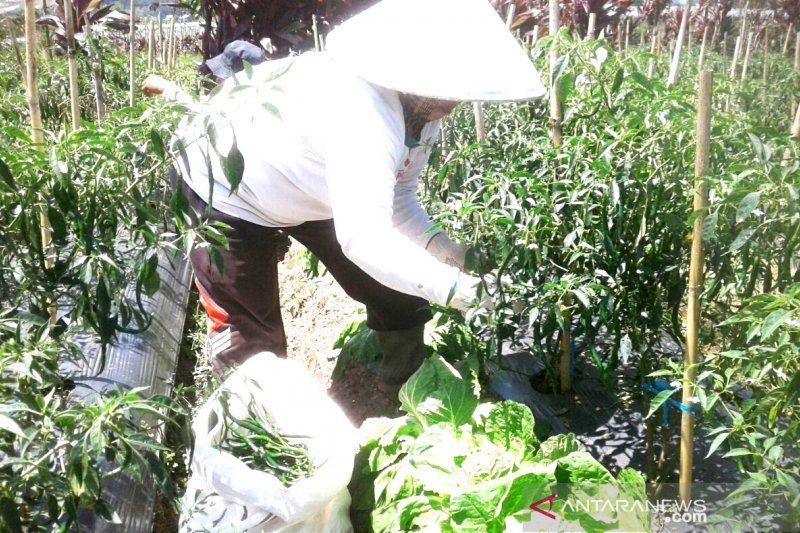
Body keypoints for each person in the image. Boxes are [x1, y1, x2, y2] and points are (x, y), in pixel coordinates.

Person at [169, 0, 546, 392]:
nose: (450, 103)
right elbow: (364, 239)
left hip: (310, 181)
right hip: (227, 187)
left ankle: (400, 390)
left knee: (398, 288)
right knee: (251, 347)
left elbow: (398, 195)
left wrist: (444, 249)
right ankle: (251, 439)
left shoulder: (422, 111)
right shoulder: (359, 111)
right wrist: (457, 291)